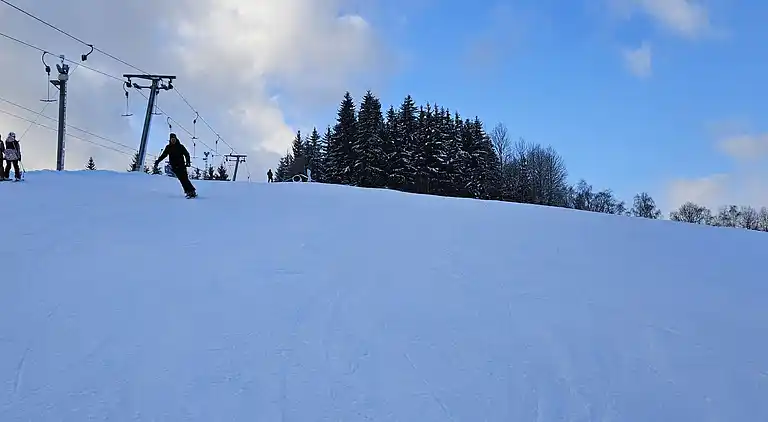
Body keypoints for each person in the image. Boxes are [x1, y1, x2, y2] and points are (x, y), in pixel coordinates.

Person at [154, 133, 196, 198]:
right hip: (174, 167)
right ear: (170, 140)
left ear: (176, 139)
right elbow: (163, 155)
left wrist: (188, 162)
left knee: (185, 179)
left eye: (174, 139)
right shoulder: (168, 147)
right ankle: (189, 191)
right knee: (181, 179)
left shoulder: (180, 146)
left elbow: (186, 154)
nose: (173, 140)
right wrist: (157, 161)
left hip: (182, 165)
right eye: (172, 139)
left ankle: (191, 191)